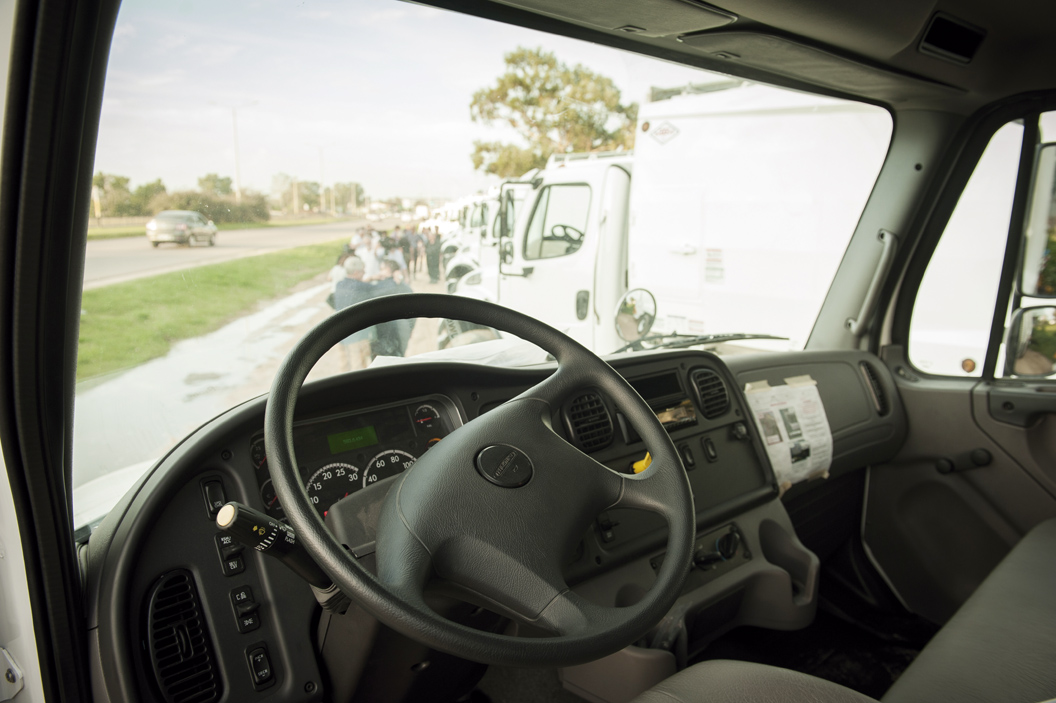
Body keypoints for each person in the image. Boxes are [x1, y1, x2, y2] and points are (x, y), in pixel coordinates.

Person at [333, 256, 376, 371]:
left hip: (340, 332)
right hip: (356, 333)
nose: (364, 273)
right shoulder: (362, 287)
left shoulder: (339, 285)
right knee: (359, 364)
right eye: (363, 270)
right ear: (356, 272)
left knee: (344, 364)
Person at [369, 258, 415, 357]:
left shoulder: (378, 287)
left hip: (382, 328)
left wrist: (371, 278)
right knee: (399, 355)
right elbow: (413, 310)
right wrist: (411, 328)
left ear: (388, 270)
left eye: (381, 269)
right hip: (403, 326)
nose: (379, 272)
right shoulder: (405, 287)